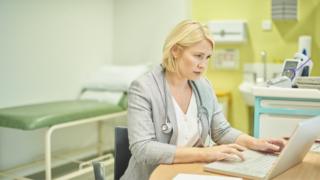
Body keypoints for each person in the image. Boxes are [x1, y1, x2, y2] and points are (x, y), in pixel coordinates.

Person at [120, 20, 285, 180]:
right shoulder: (144, 88)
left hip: (187, 173)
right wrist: (206, 153)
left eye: (207, 57)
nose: (203, 64)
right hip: (153, 176)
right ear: (175, 50)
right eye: (198, 56)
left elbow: (221, 131)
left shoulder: (203, 86)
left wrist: (255, 143)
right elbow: (143, 149)